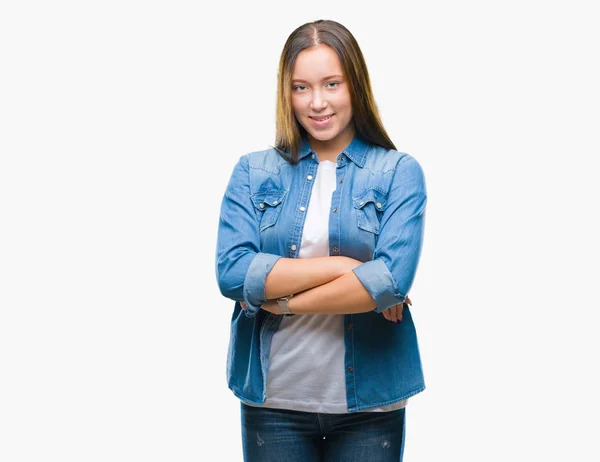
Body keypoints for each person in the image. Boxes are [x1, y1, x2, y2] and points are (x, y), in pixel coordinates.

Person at [215, 19, 427, 462]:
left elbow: (390, 281)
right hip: (274, 401)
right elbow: (233, 273)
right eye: (300, 87)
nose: (317, 103)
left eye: (332, 84)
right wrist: (345, 269)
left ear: (356, 85)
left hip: (370, 403)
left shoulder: (398, 172)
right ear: (285, 93)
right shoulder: (253, 172)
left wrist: (283, 301)